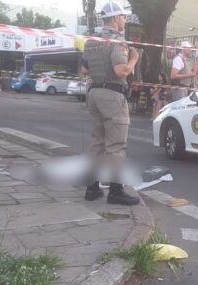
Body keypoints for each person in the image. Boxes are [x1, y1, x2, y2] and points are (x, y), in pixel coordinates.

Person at [79, 1, 140, 206]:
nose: (124, 21)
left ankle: (92, 187)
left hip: (94, 93)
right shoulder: (116, 41)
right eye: (123, 17)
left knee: (97, 142)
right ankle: (116, 191)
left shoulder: (91, 41)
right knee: (116, 145)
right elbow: (121, 71)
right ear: (115, 18)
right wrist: (133, 59)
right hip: (113, 95)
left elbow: (85, 71)